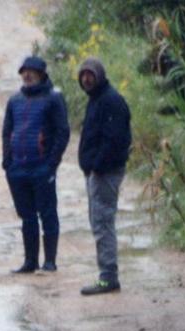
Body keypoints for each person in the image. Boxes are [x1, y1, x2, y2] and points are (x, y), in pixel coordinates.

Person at [2, 56, 70, 274]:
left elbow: (63, 132)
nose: (27, 75)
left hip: (42, 167)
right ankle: (30, 261)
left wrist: (51, 164)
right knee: (27, 216)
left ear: (42, 74)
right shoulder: (14, 101)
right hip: (18, 168)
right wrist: (7, 162)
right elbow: (7, 131)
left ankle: (50, 261)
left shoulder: (53, 99)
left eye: (31, 71)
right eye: (24, 71)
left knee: (48, 213)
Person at [76, 56, 131, 295]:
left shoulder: (111, 101)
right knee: (98, 221)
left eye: (90, 74)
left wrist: (97, 166)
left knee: (103, 222)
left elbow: (116, 140)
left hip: (105, 173)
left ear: (99, 76)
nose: (86, 79)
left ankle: (108, 276)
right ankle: (107, 274)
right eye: (83, 75)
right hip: (97, 172)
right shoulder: (97, 99)